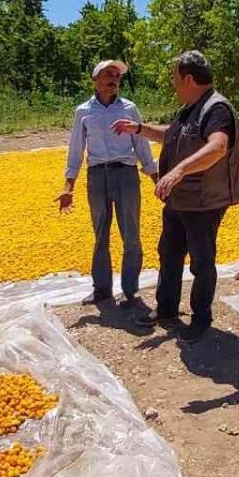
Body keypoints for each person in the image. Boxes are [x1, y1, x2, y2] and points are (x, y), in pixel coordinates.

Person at [111, 50, 239, 344]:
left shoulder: (216, 108)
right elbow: (172, 135)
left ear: (188, 78)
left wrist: (177, 172)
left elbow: (218, 146)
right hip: (180, 199)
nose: (173, 84)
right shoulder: (190, 108)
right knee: (169, 254)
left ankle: (201, 319)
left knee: (201, 261)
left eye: (175, 78)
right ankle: (167, 310)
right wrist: (138, 129)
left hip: (203, 200)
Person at [58, 59, 159, 308]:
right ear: (96, 80)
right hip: (97, 176)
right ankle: (102, 289)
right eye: (109, 74)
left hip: (126, 174)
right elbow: (76, 149)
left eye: (117, 75)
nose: (114, 79)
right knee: (100, 234)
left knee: (131, 234)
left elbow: (141, 144)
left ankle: (130, 291)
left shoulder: (129, 108)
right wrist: (68, 187)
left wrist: (156, 177)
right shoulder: (83, 111)